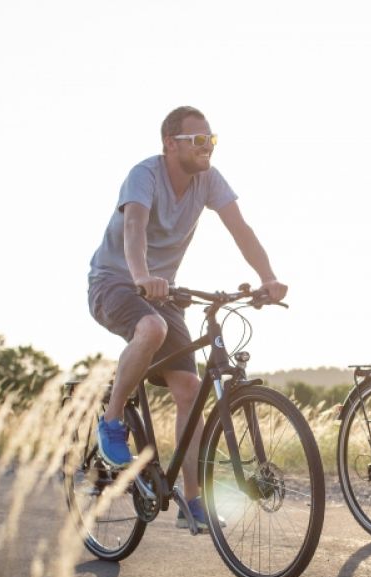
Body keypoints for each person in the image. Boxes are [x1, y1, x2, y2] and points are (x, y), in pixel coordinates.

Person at [88, 105, 287, 530]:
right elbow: (135, 229)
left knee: (191, 390)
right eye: (198, 140)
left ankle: (192, 501)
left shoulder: (208, 180)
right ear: (170, 144)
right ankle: (112, 420)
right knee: (152, 328)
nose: (207, 147)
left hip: (163, 291)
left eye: (211, 140)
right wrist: (142, 276)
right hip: (115, 281)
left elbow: (241, 229)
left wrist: (267, 277)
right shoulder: (144, 174)